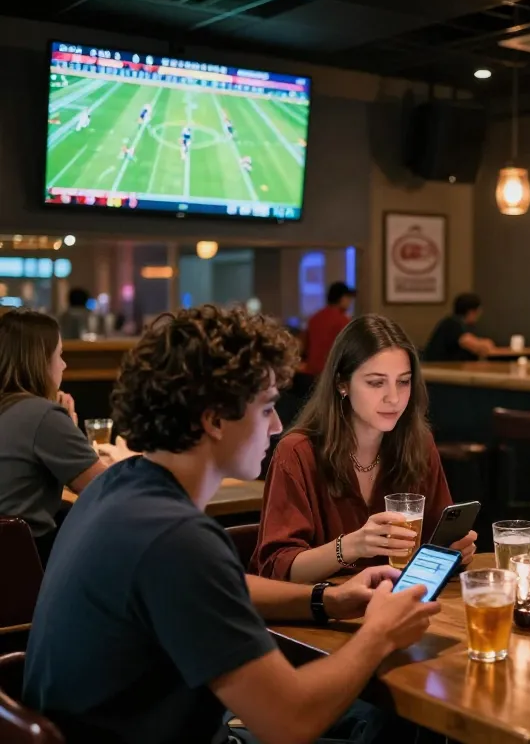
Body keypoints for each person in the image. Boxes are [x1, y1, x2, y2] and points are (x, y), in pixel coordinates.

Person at [23, 306, 441, 744]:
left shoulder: (117, 489)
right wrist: (378, 632)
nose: (278, 426)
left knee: (378, 722)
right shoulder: (174, 538)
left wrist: (330, 599)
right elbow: (289, 721)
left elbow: (224, 587)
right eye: (266, 409)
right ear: (214, 419)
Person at [255, 314, 476, 582]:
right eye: (376, 382)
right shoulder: (298, 452)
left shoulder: (419, 443)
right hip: (324, 617)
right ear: (342, 383)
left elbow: (433, 545)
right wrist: (350, 546)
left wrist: (453, 552)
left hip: (401, 606)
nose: (393, 398)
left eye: (403, 381)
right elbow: (277, 569)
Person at [0, 309, 105, 564]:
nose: (64, 365)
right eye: (59, 355)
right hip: (22, 568)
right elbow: (106, 489)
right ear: (40, 361)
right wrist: (66, 424)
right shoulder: (43, 415)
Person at [422, 292, 495, 362]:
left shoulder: (456, 322)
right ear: (472, 312)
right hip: (438, 368)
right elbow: (471, 344)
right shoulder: (453, 323)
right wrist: (485, 344)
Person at [304, 281, 356, 376]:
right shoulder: (342, 320)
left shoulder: (314, 318)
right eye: (349, 298)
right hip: (330, 374)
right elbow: (348, 350)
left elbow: (306, 346)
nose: (350, 302)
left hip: (310, 374)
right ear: (343, 298)